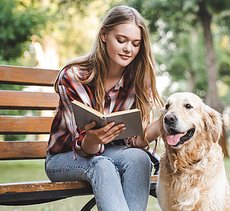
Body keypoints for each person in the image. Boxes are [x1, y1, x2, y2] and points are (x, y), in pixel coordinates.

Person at [45, 5, 163, 211]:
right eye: (121, 40)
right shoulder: (74, 77)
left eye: (136, 44)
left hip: (111, 153)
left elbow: (134, 143)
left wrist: (158, 127)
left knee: (139, 158)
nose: (129, 49)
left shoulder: (137, 81)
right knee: (102, 164)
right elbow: (85, 149)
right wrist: (92, 140)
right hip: (66, 157)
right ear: (104, 35)